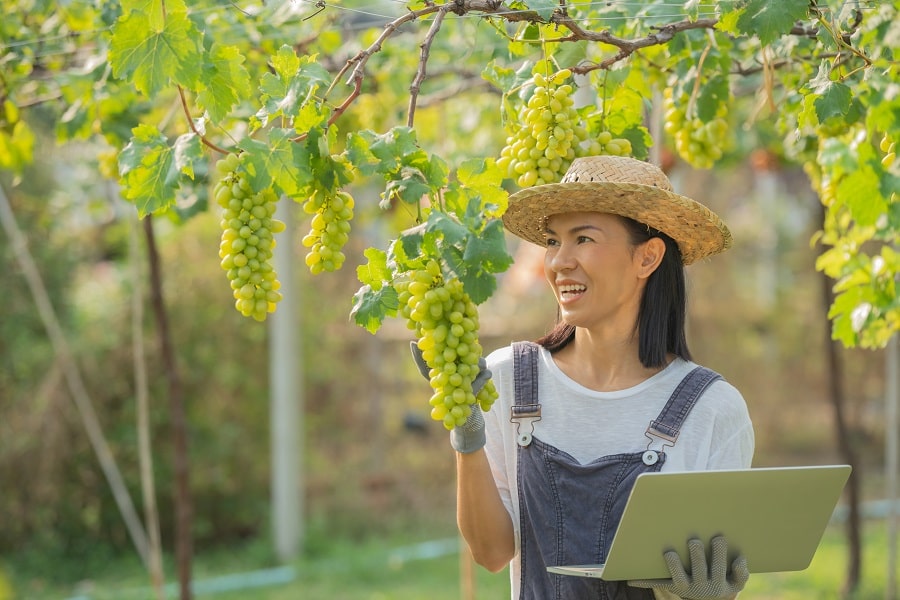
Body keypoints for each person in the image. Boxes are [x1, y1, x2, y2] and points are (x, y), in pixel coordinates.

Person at [413, 155, 754, 599]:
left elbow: (713, 569)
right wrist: (468, 439)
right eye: (554, 241)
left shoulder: (712, 409)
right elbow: (492, 552)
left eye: (584, 239)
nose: (558, 262)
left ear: (648, 257)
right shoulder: (507, 380)